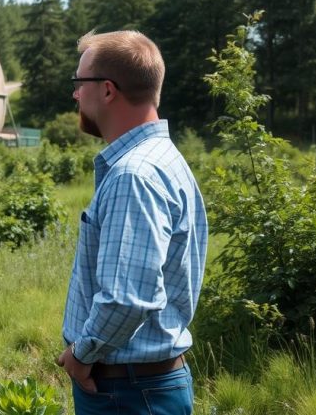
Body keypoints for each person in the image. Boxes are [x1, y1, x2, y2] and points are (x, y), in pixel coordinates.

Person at [55, 31, 208, 415]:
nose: (75, 94)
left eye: (79, 83)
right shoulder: (163, 158)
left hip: (127, 392)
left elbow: (128, 299)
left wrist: (82, 353)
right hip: (141, 387)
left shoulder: (134, 174)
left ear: (107, 90)